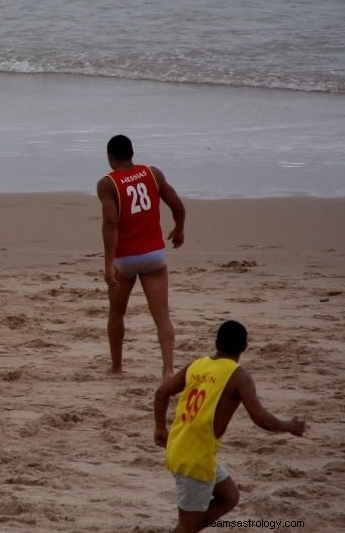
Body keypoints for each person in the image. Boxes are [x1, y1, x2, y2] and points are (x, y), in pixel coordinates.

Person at [153, 320, 306, 532]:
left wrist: (160, 428)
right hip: (195, 459)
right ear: (245, 347)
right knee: (187, 525)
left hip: (181, 447)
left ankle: (188, 525)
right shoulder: (239, 376)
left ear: (216, 342)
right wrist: (289, 426)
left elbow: (162, 392)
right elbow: (260, 418)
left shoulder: (197, 364)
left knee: (229, 497)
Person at [97, 134, 186, 379]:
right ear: (132, 153)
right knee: (162, 316)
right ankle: (168, 369)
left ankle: (116, 367)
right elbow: (177, 205)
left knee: (117, 312)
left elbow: (110, 224)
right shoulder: (153, 173)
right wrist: (179, 229)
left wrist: (108, 265)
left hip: (125, 258)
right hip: (154, 255)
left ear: (110, 157)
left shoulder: (107, 183)